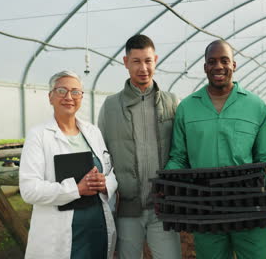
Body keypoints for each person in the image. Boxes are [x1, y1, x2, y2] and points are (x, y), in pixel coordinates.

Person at [165, 40, 266, 259]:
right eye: (212, 61)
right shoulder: (187, 107)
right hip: (206, 209)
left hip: (248, 206)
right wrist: (167, 186)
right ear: (205, 67)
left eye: (224, 60)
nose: (218, 66)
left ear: (234, 65)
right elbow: (179, 157)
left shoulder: (255, 106)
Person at [98, 34, 181, 259]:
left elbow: (181, 151)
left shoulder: (172, 102)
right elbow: (101, 155)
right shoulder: (111, 106)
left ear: (155, 60)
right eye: (136, 61)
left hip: (163, 206)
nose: (143, 68)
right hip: (127, 208)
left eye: (147, 61)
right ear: (126, 63)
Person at [19, 70, 117, 259]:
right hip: (59, 238)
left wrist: (105, 183)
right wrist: (76, 189)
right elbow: (29, 189)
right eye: (62, 91)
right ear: (50, 97)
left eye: (75, 92)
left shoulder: (93, 132)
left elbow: (111, 172)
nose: (69, 97)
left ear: (81, 97)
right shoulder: (38, 135)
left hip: (97, 230)